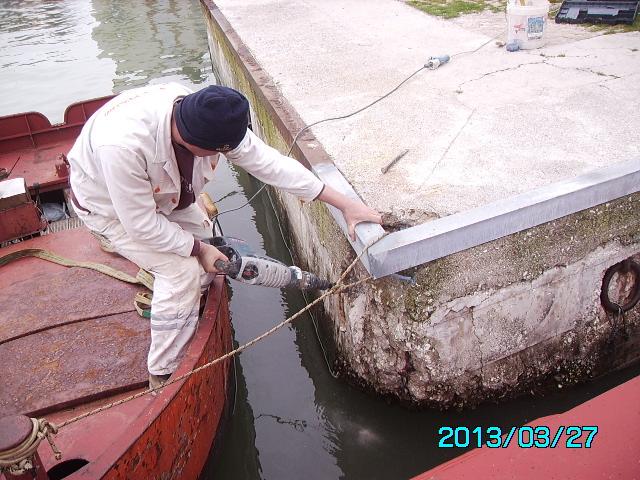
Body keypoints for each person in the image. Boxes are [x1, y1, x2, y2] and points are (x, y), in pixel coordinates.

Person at [67, 83, 381, 387]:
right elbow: (140, 224)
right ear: (197, 144)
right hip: (111, 209)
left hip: (167, 194)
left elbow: (271, 164)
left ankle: (186, 305)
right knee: (181, 271)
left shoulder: (206, 113)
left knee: (205, 237)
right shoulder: (124, 146)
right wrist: (198, 252)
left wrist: (344, 204)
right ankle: (164, 373)